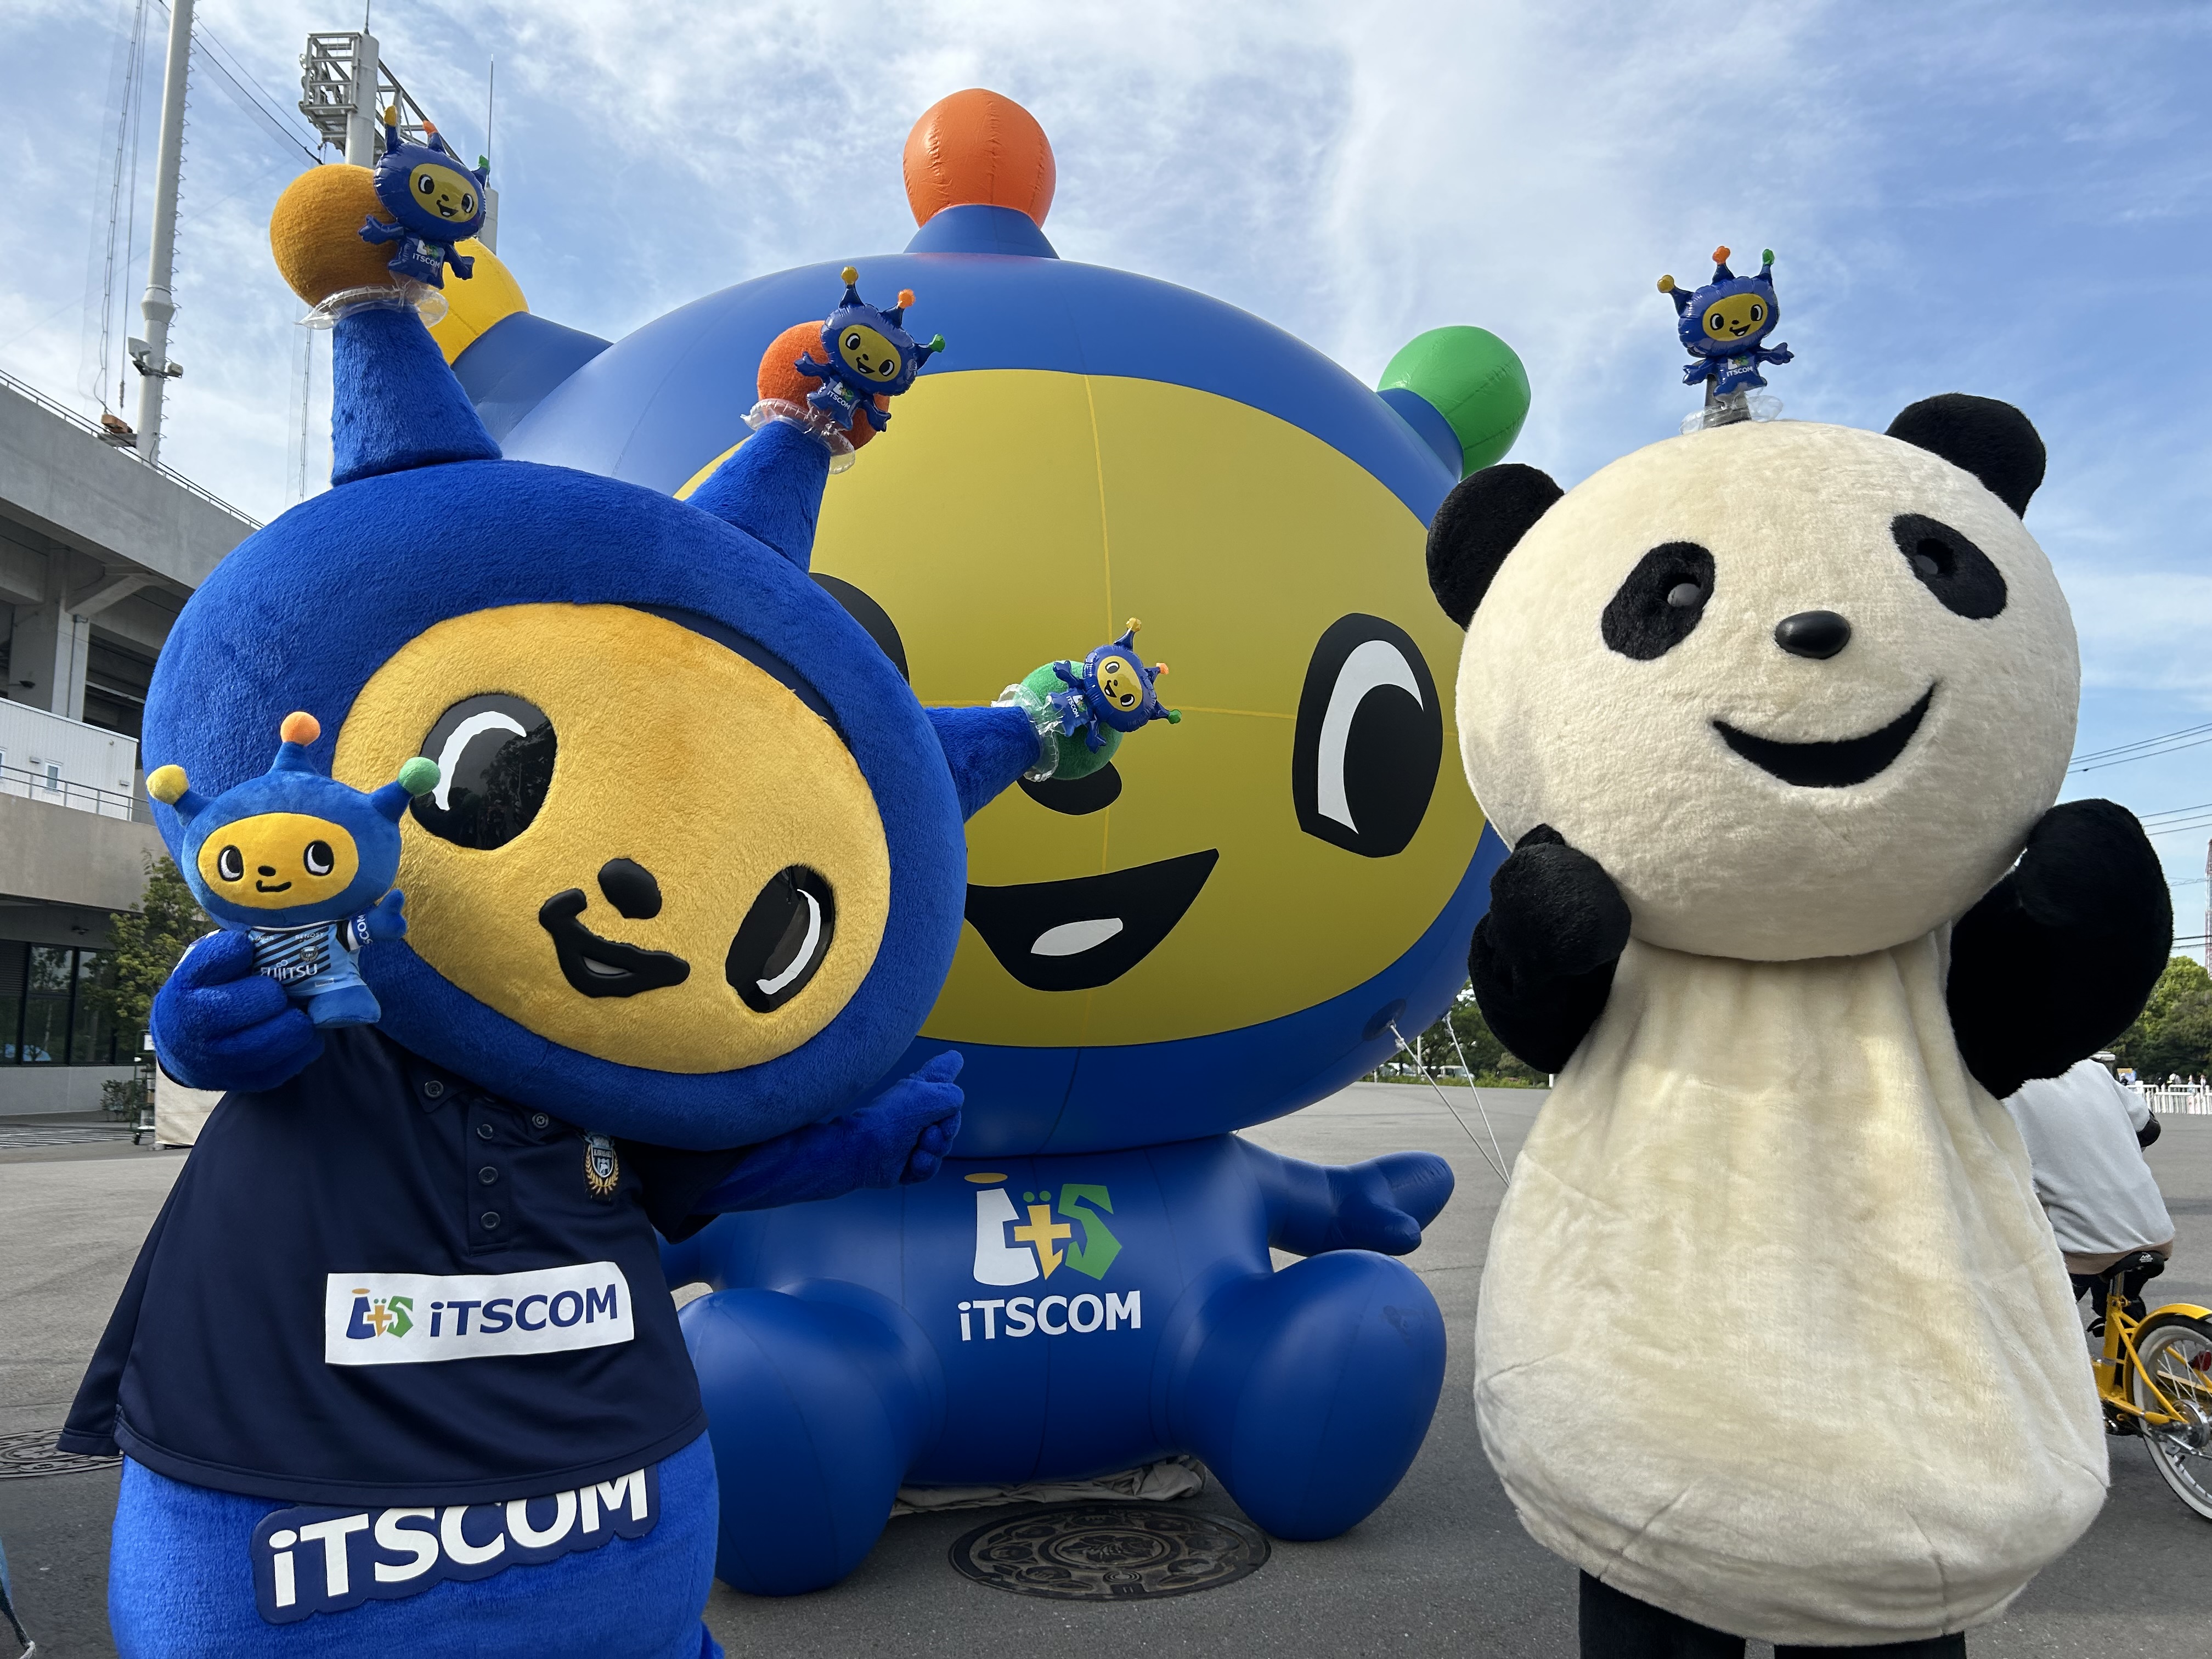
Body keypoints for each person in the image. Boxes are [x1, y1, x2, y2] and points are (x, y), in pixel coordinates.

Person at [2003, 1052, 2173, 1308]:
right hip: (2154, 1229)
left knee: (2033, 1315)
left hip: (2080, 1244)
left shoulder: (1995, 1081)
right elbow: (2148, 1128)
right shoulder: (2088, 1066)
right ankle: (2133, 1326)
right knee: (2120, 1304)